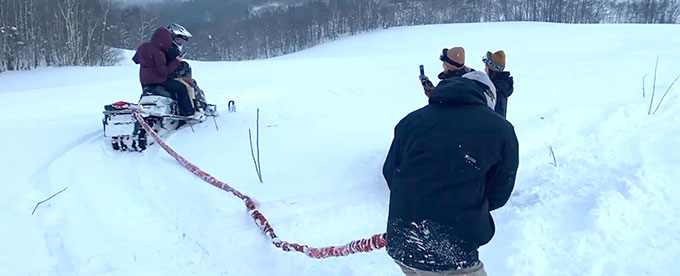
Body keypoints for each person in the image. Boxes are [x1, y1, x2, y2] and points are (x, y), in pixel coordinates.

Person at [383, 70, 519, 276]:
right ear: (488, 98)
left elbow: (391, 173)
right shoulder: (501, 129)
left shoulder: (410, 121)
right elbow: (499, 193)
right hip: (456, 244)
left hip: (403, 240)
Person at [132, 26, 195, 117]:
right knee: (182, 88)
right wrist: (177, 61)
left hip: (144, 79)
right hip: (158, 80)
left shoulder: (143, 46)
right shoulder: (159, 52)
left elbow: (135, 60)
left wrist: (147, 63)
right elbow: (163, 71)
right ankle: (187, 113)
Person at [483, 50, 514, 118]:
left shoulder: (492, 87)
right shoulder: (503, 84)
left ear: (490, 69)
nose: (484, 69)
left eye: (486, 67)